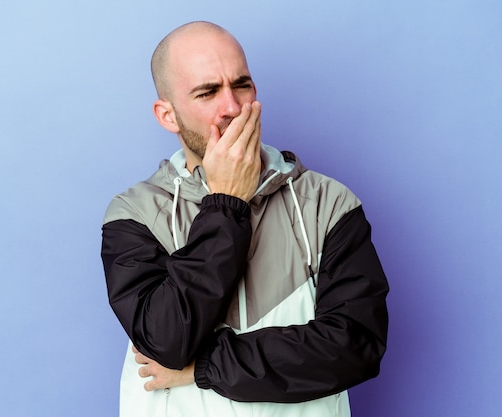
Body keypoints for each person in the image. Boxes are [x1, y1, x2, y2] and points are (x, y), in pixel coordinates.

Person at [101, 21, 389, 417]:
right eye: (207, 92)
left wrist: (203, 366)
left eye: (242, 85)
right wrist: (226, 202)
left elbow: (355, 345)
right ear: (168, 115)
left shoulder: (329, 203)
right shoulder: (133, 213)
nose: (233, 107)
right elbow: (166, 341)